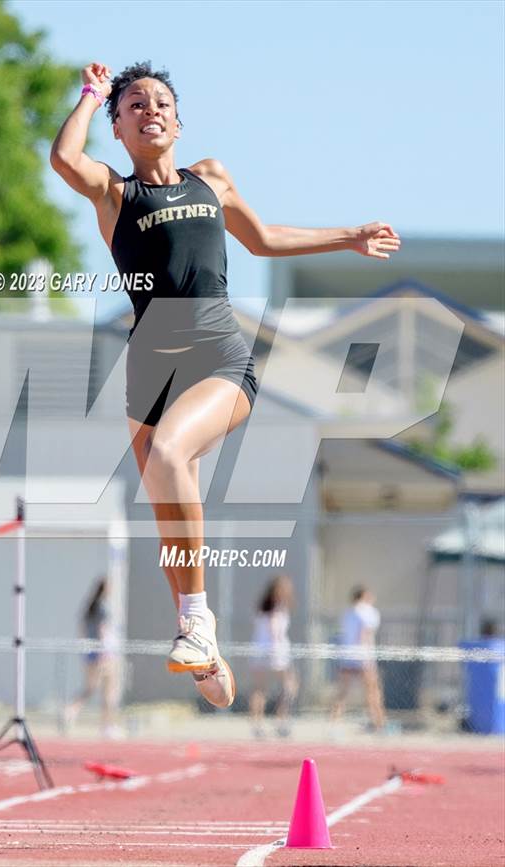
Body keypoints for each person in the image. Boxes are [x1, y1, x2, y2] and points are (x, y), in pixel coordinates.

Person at [50, 59, 401, 709]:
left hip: (217, 351)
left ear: (178, 122)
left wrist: (346, 235)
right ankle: (203, 644)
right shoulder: (114, 194)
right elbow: (64, 159)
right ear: (119, 131)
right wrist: (92, 94)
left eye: (160, 102)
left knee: (172, 454)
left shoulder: (210, 178)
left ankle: (199, 621)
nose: (149, 109)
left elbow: (264, 240)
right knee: (167, 524)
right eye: (133, 105)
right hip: (148, 366)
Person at [64, 575, 123, 739]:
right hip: (104, 653)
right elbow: (102, 631)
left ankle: (71, 710)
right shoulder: (103, 608)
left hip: (90, 653)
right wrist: (104, 652)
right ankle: (108, 726)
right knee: (109, 691)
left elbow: (83, 629)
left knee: (90, 688)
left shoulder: (89, 607)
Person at [331, 585, 386, 730]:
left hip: (347, 656)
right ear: (364, 595)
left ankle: (334, 721)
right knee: (373, 690)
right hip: (363, 655)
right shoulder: (368, 612)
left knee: (342, 691)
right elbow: (365, 634)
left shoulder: (347, 613)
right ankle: (379, 722)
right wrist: (365, 657)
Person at [249, 574, 298, 738]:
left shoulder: (264, 607)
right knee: (289, 685)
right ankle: (280, 721)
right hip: (274, 652)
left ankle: (259, 724)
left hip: (261, 651)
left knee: (261, 689)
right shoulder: (275, 609)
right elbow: (274, 632)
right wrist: (276, 653)